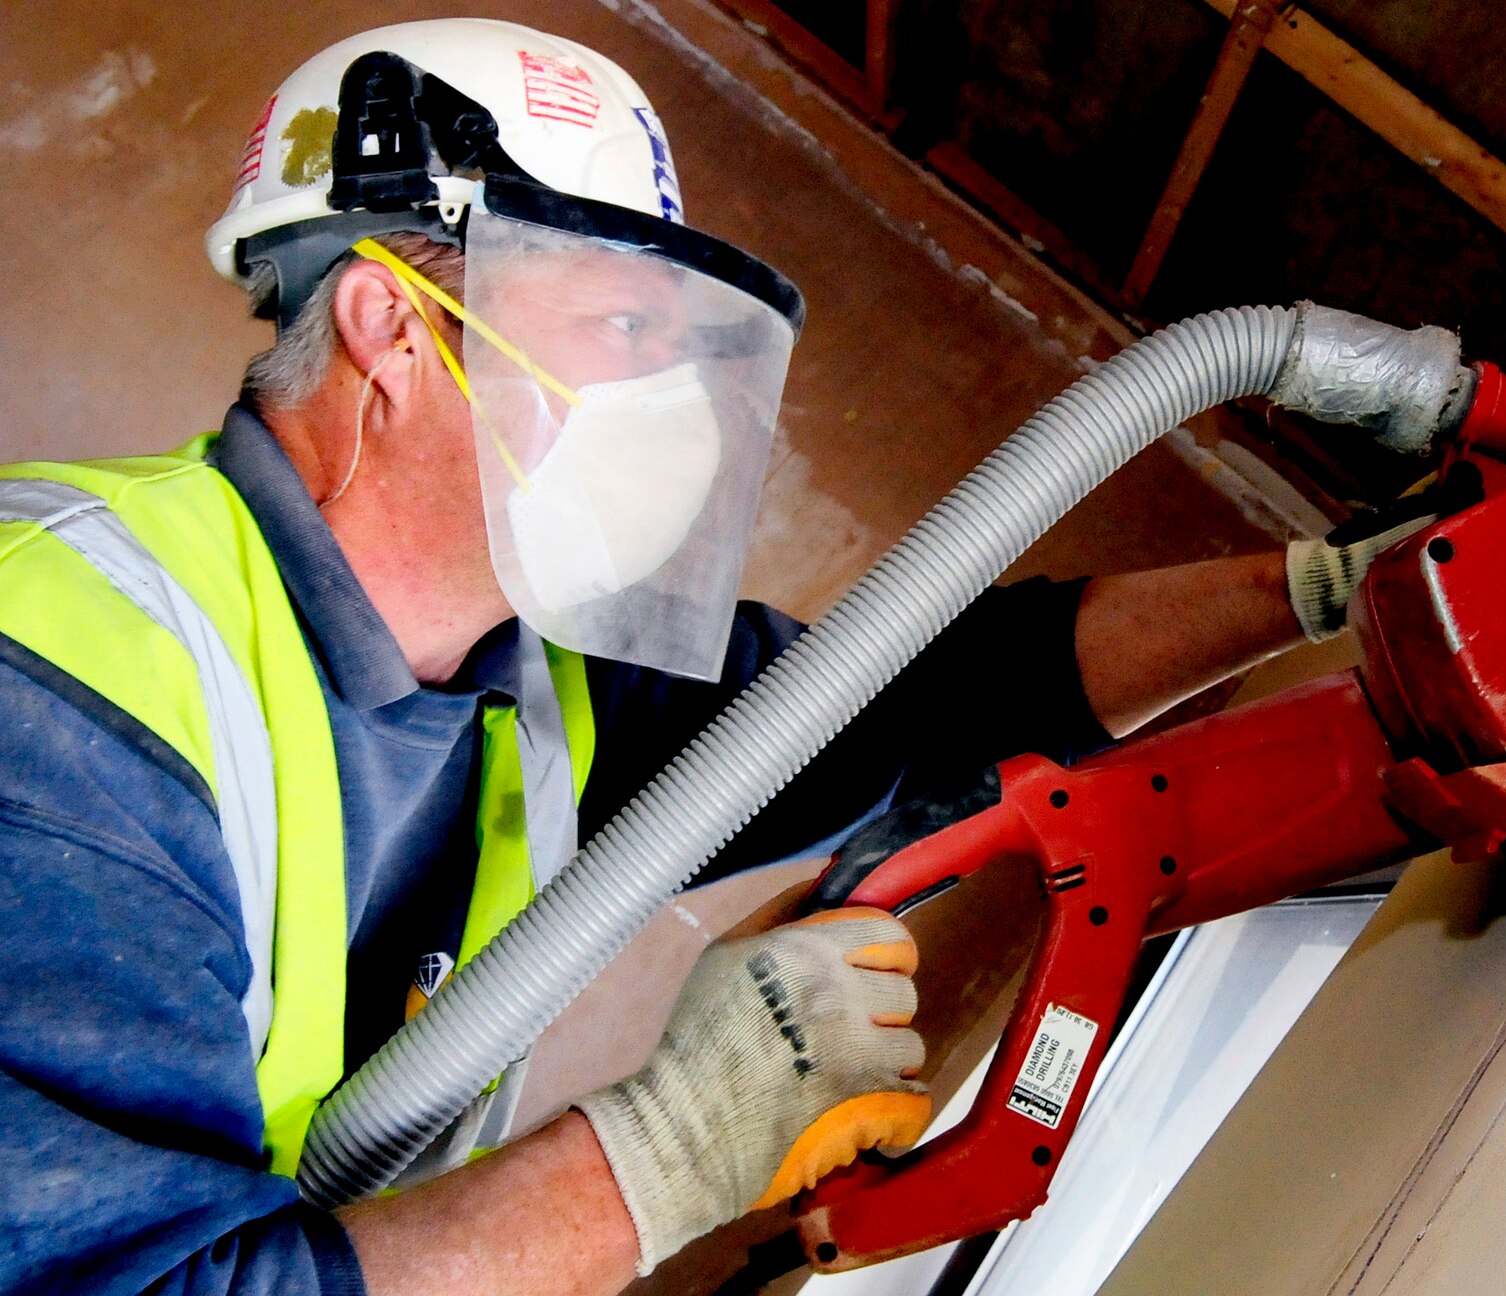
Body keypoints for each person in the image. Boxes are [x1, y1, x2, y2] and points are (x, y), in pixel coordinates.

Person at [0, 19, 1377, 1296]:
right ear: (393, 323)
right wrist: (667, 1148)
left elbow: (915, 699)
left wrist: (1322, 588)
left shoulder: (540, 690)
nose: (675, 409)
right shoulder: (60, 680)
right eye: (622, 331)